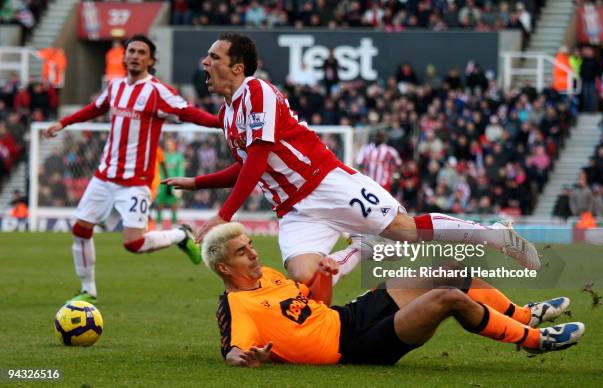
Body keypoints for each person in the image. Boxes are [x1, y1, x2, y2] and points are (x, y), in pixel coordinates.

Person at [164, 33, 541, 302]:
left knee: (404, 230)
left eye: (213, 56)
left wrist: (222, 215)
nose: (205, 62)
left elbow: (259, 157)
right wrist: (198, 183)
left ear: (237, 66)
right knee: (307, 280)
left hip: (323, 182)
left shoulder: (257, 92)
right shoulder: (228, 113)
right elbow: (246, 166)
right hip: (293, 209)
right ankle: (361, 247)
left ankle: (496, 236)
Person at [204, 223, 584, 367]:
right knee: (447, 297)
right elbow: (233, 350)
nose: (253, 253)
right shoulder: (238, 307)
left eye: (250, 245)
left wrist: (323, 274)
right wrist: (247, 358)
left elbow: (313, 302)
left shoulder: (269, 275)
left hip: (348, 316)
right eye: (242, 252)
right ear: (224, 268)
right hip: (355, 348)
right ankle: (534, 341)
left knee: (448, 269)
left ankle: (523, 316)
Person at [43, 34, 221, 304]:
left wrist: (222, 123)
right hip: (104, 175)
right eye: (131, 51)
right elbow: (95, 108)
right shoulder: (115, 88)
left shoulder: (157, 91)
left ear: (150, 60)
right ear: (124, 57)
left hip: (136, 180)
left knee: (133, 244)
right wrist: (63, 123)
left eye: (141, 52)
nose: (135, 56)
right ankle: (88, 290)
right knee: (80, 229)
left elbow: (189, 112)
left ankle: (179, 236)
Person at [155, 138, 185, 228]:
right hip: (162, 183)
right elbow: (158, 169)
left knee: (174, 204)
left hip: (173, 183)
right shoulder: (163, 155)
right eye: (167, 144)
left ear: (174, 145)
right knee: (159, 203)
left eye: (170, 144)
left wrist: (179, 184)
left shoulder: (178, 157)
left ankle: (174, 224)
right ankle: (158, 223)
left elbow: (180, 171)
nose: (168, 146)